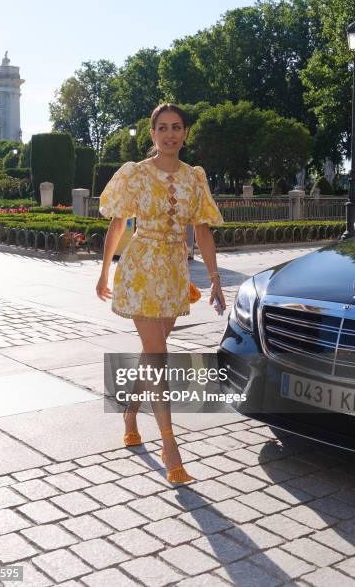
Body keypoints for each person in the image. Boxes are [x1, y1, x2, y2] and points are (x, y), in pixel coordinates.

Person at [96, 103, 226, 484]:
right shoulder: (134, 174)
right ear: (152, 134)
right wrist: (104, 273)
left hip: (173, 271)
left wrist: (215, 279)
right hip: (140, 269)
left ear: (185, 133)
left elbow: (202, 231)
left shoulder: (194, 178)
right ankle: (171, 448)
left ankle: (130, 411)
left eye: (177, 127)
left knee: (152, 353)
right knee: (159, 355)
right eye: (162, 127)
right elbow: (118, 224)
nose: (170, 133)